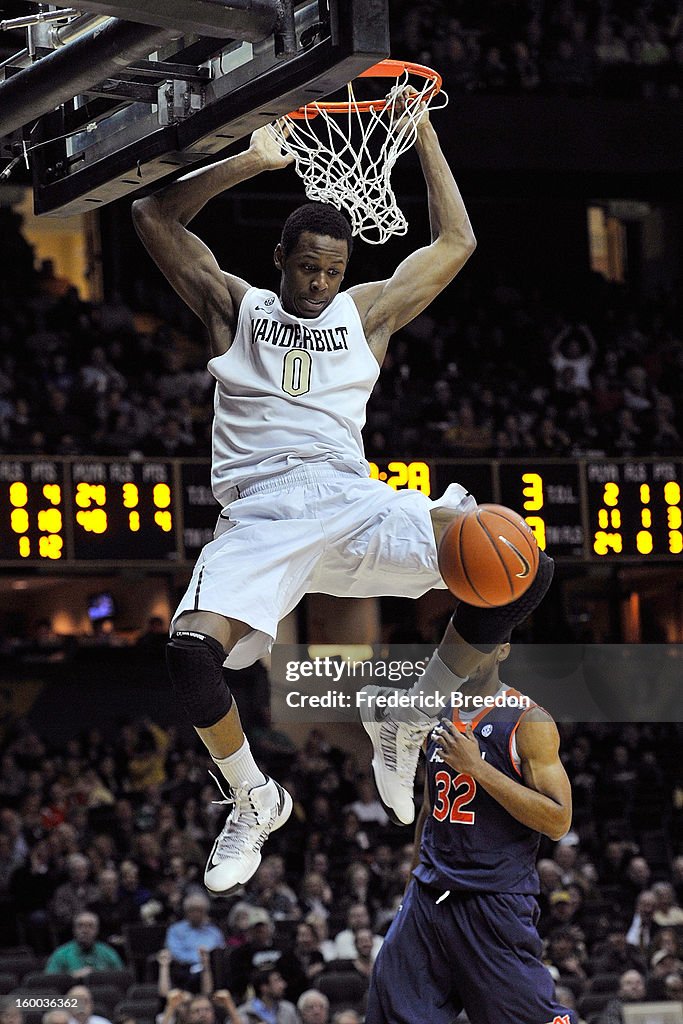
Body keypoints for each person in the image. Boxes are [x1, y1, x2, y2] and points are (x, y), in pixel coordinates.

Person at [132, 87, 480, 897]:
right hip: (259, 511)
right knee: (189, 651)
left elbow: (455, 239)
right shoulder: (236, 307)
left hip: (351, 497)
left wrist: (420, 130)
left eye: (333, 270)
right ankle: (253, 797)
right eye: (308, 266)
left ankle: (405, 717)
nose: (320, 281)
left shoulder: (365, 314)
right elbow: (153, 218)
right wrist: (247, 161)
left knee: (514, 564)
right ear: (281, 260)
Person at [365, 629, 577, 1024]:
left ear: (502, 650)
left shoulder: (528, 720)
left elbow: (558, 820)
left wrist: (477, 768)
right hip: (430, 893)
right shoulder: (432, 712)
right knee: (390, 1002)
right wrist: (413, 883)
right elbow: (430, 808)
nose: (468, 654)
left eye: (481, 645)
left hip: (492, 897)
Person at [44, 910, 125, 975]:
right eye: (80, 926)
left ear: (97, 930)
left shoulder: (108, 953)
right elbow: (50, 982)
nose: (85, 930)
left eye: (90, 926)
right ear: (74, 930)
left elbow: (121, 978)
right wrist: (73, 977)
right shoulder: (61, 954)